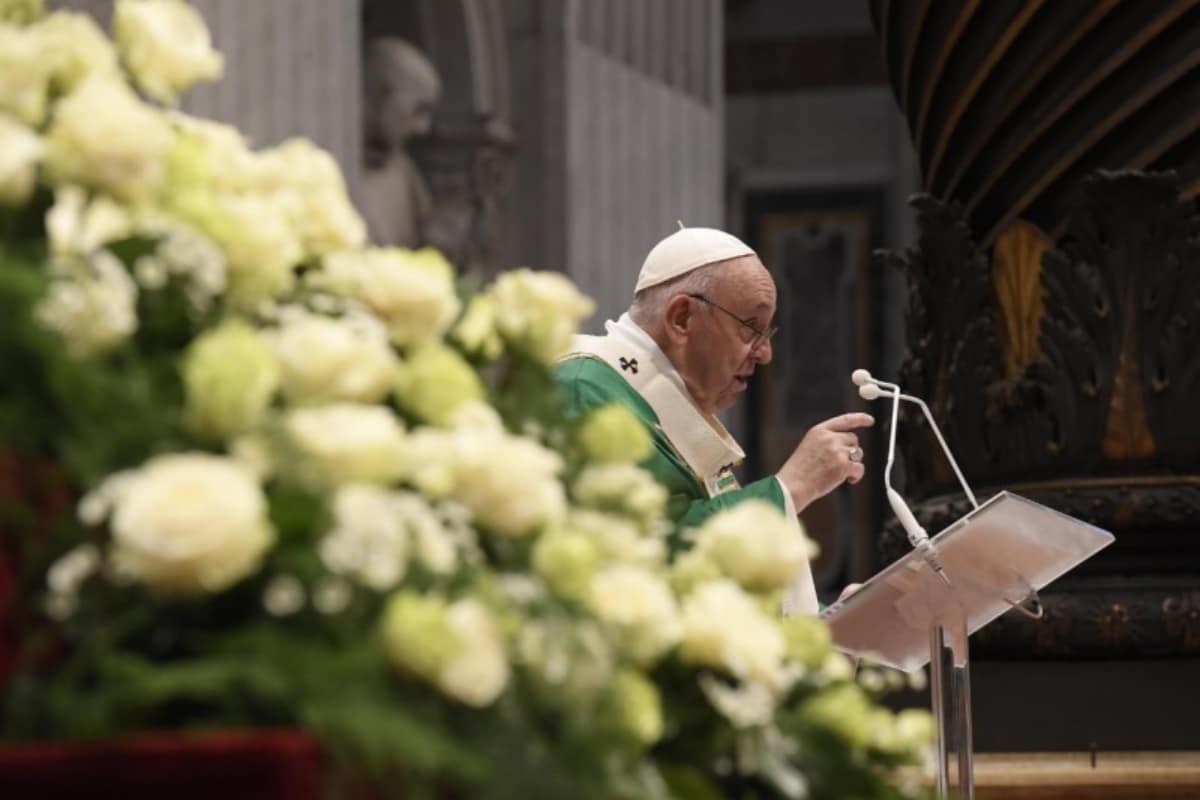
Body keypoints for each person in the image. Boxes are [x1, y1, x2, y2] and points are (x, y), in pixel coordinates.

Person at [554, 226, 873, 614]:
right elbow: (633, 561)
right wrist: (791, 487)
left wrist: (828, 624)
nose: (766, 353)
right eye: (751, 328)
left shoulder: (664, 404)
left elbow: (712, 590)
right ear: (683, 319)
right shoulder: (584, 390)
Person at [360, 38, 440, 248]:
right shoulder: (324, 158)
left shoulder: (405, 176)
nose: (424, 128)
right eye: (419, 109)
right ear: (378, 93)